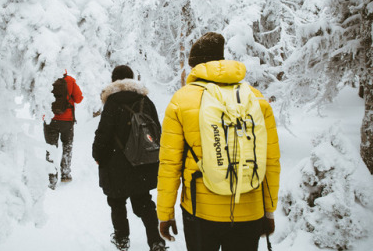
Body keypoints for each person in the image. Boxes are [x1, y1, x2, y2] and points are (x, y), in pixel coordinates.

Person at [156, 32, 281, 251]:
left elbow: (170, 164)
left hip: (200, 210)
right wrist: (268, 210)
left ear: (194, 65)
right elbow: (271, 160)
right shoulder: (256, 97)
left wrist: (165, 213)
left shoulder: (181, 99)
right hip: (250, 208)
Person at [93, 65, 167, 251]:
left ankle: (122, 239)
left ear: (114, 81)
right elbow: (157, 130)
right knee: (144, 201)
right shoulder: (145, 100)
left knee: (117, 202)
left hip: (117, 163)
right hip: (143, 161)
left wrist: (98, 155)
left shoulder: (112, 102)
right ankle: (156, 241)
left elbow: (103, 134)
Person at [44, 71, 83, 189]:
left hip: (50, 120)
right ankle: (65, 173)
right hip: (67, 121)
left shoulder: (45, 77)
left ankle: (52, 178)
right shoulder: (70, 80)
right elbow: (79, 98)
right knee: (67, 146)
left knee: (51, 148)